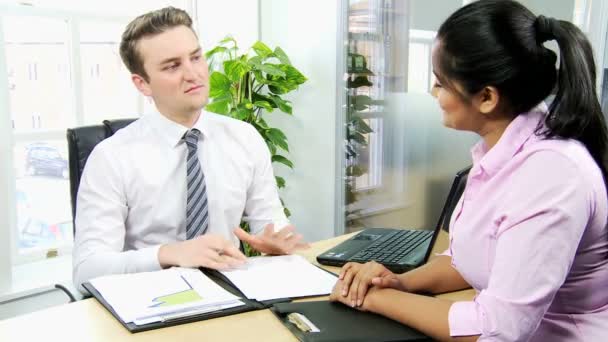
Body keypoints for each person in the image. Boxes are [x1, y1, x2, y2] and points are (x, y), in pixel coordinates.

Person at [330, 0, 608, 341]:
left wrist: (375, 298)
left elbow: (499, 329)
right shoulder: (502, 151)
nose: (433, 92)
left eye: (441, 82)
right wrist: (400, 282)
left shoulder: (552, 175)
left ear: (487, 98)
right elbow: (473, 258)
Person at [73, 7, 308, 292]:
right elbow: (87, 271)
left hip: (233, 291)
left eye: (196, 57)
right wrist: (169, 253)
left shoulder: (245, 138)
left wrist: (278, 244)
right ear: (142, 84)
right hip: (151, 302)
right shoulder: (111, 157)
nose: (193, 73)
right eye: (172, 66)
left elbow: (271, 226)